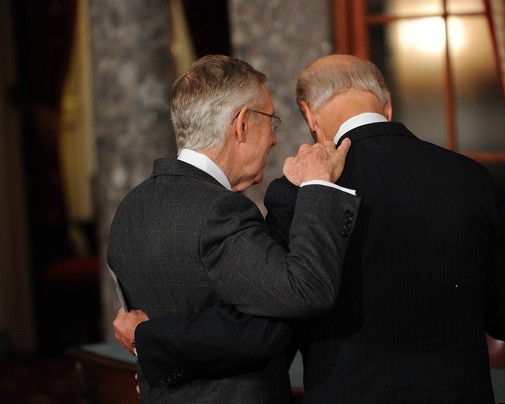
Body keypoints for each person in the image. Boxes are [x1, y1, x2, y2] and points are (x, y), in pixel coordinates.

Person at [114, 54, 505, 403]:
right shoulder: (471, 178)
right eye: (270, 123)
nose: (275, 139)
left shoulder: (299, 193)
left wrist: (153, 347)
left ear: (310, 115)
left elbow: (268, 327)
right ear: (387, 106)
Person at [106, 54, 361, 404]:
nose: (273, 140)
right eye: (270, 122)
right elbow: (298, 297)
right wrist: (318, 186)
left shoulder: (129, 208)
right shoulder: (219, 211)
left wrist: (147, 342)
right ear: (241, 124)